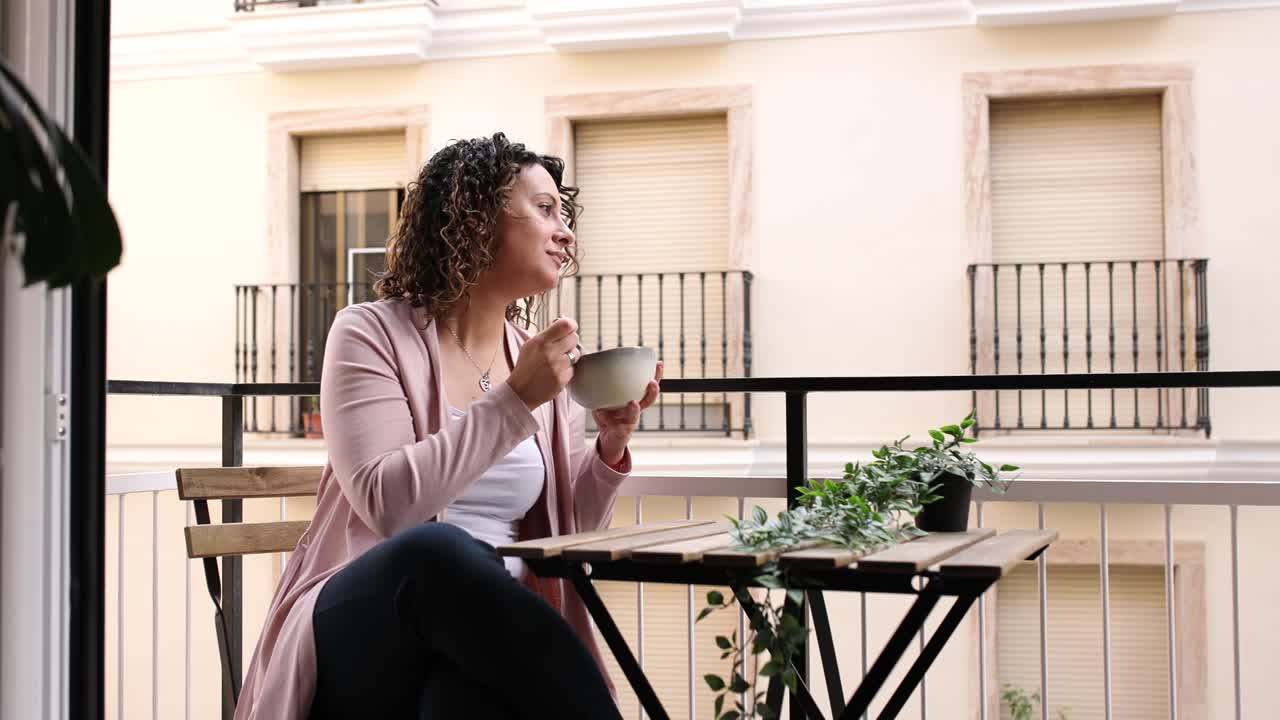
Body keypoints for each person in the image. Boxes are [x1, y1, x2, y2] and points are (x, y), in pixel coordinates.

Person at [234, 133, 662, 720]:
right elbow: (388, 504)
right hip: (370, 618)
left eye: (564, 214)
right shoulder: (368, 334)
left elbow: (568, 529)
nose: (565, 232)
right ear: (476, 220)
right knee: (440, 552)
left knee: (458, 699)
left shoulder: (533, 359)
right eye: (543, 209)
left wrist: (610, 444)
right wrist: (514, 401)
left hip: (487, 636)